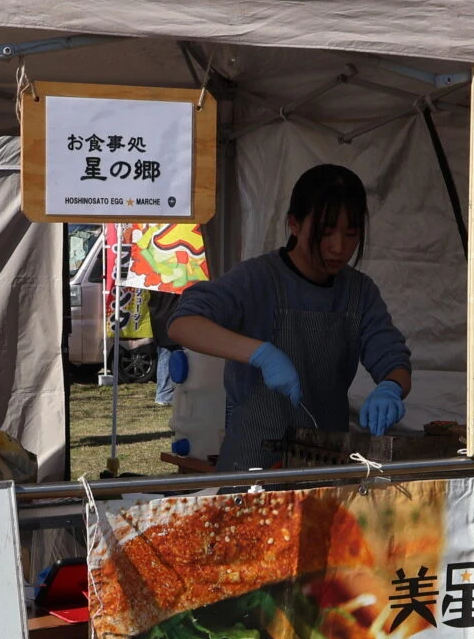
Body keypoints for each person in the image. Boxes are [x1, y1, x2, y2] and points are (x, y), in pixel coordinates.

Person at [168, 164, 412, 470]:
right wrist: (261, 354)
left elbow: (394, 361)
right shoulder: (257, 278)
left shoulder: (359, 292)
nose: (339, 247)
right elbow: (183, 324)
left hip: (326, 461)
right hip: (252, 464)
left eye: (351, 234)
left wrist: (390, 387)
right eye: (325, 233)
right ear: (294, 224)